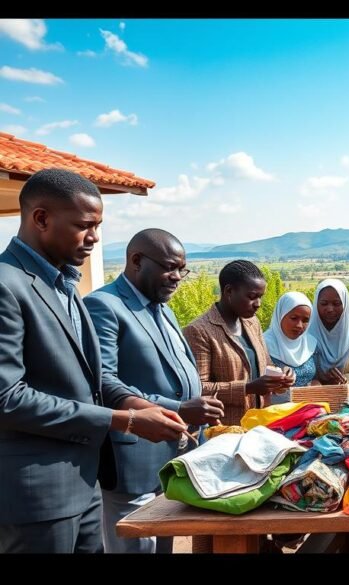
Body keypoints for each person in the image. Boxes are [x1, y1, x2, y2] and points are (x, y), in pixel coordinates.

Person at [0, 169, 186, 553]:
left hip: (85, 485)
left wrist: (137, 404)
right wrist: (127, 421)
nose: (95, 238)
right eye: (85, 226)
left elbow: (95, 379)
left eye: (98, 226)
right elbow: (8, 398)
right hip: (35, 496)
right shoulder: (7, 285)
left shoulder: (65, 284)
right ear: (41, 218)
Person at [84, 228, 225, 553]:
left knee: (164, 544)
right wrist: (178, 407)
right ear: (136, 260)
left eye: (182, 269)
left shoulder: (164, 308)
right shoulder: (105, 305)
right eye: (169, 267)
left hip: (175, 456)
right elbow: (103, 382)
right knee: (136, 547)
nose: (177, 277)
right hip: (134, 459)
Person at [183, 260, 294, 427]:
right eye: (251, 297)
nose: (258, 304)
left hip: (259, 422)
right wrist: (247, 388)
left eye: (260, 297)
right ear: (229, 291)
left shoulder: (252, 322)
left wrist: (281, 376)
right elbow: (198, 389)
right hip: (225, 428)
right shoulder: (199, 331)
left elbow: (264, 363)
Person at [310, 280, 349, 389]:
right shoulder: (307, 331)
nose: (329, 309)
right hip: (314, 396)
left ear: (345, 303)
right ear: (316, 304)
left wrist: (345, 380)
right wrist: (318, 382)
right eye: (324, 304)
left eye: (337, 303)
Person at [264, 291, 319, 402]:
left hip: (307, 408)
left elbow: (315, 378)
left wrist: (316, 385)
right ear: (281, 315)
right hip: (274, 411)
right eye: (294, 318)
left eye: (305, 320)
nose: (299, 325)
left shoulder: (310, 344)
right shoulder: (263, 344)